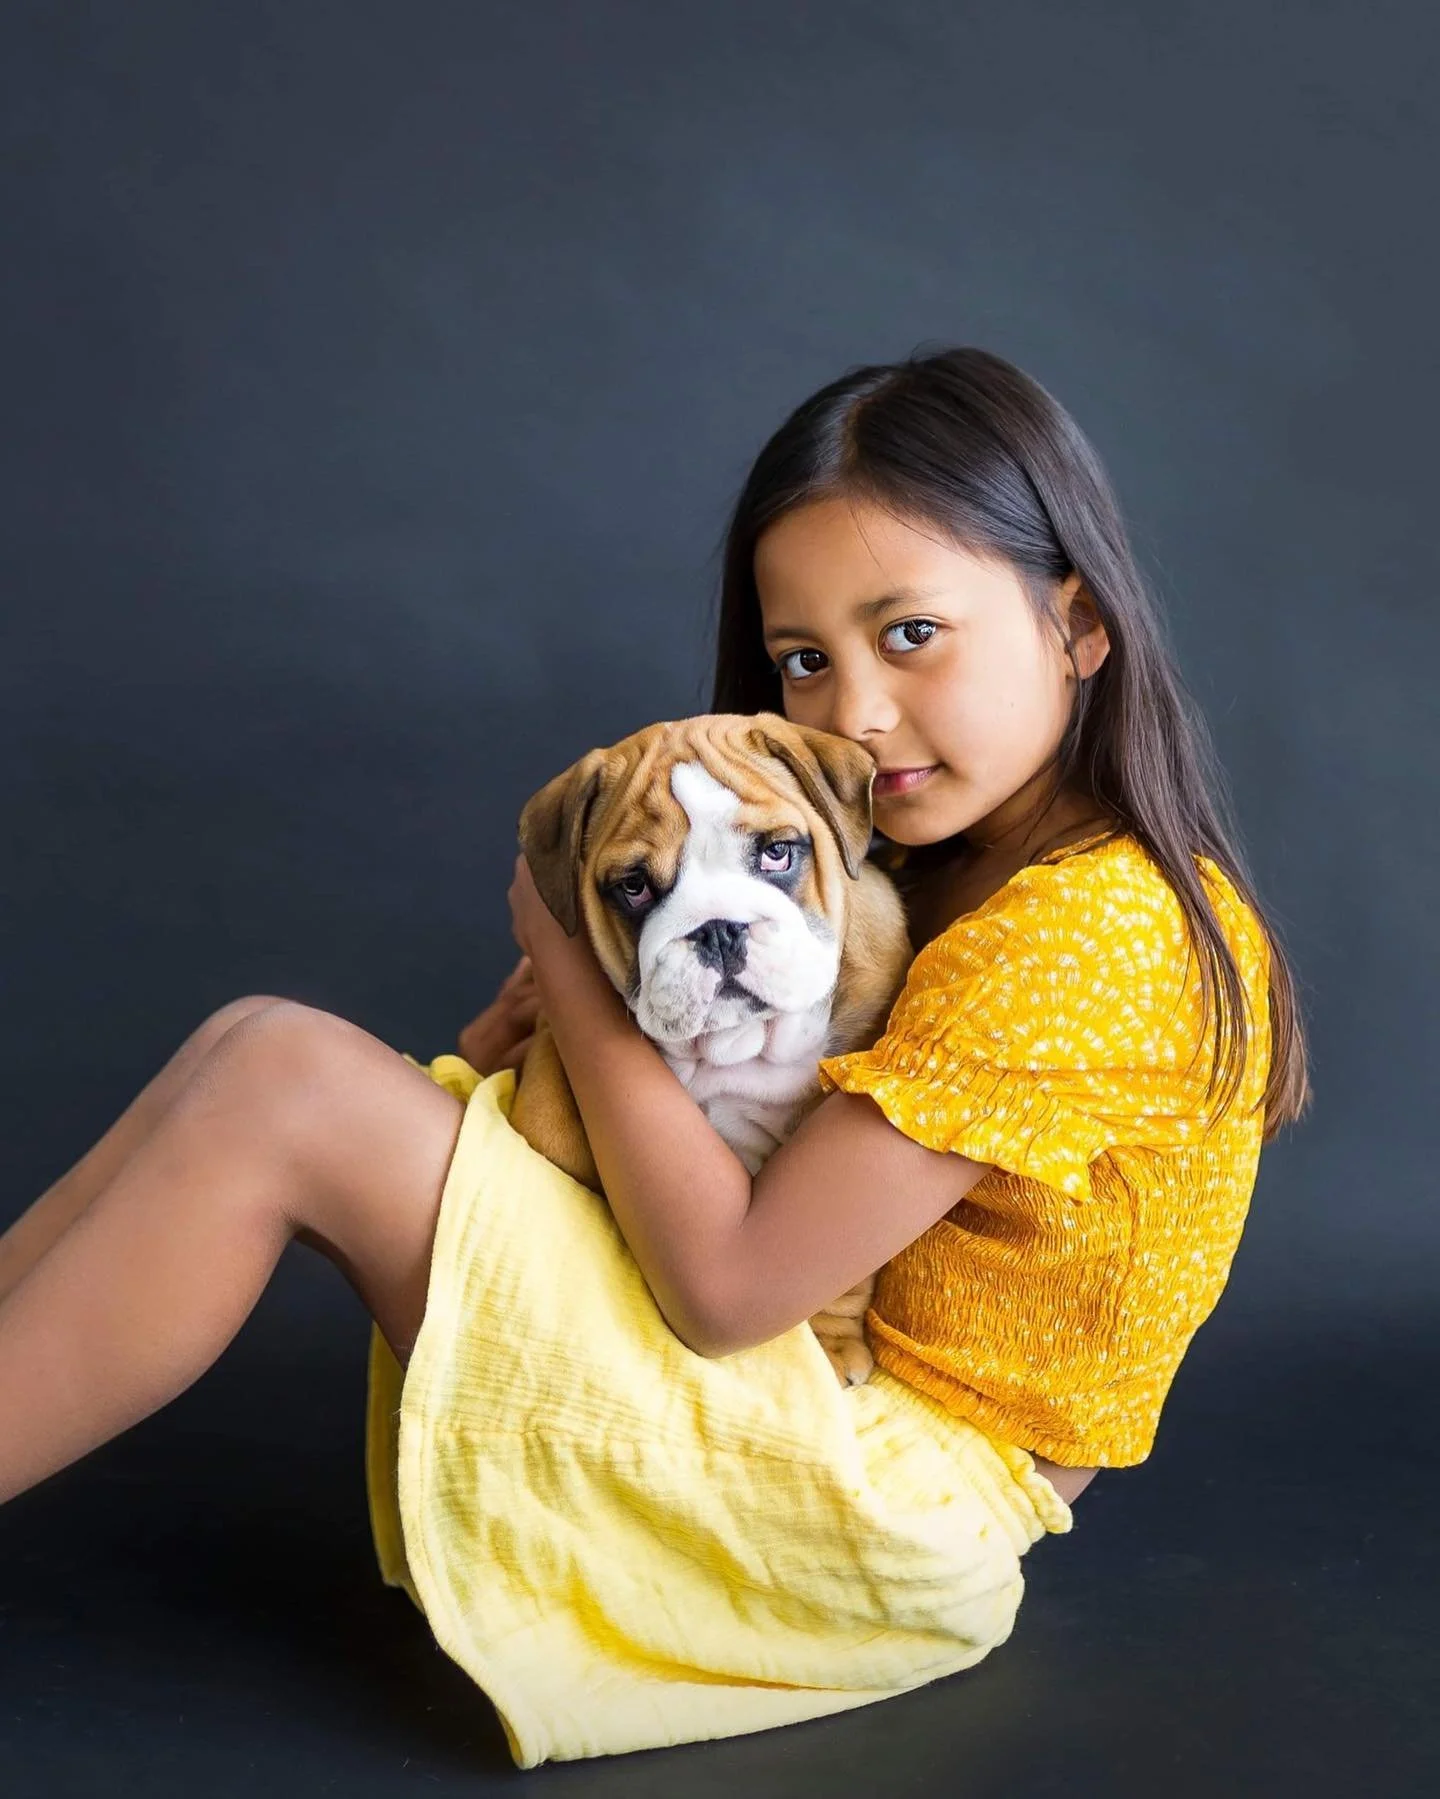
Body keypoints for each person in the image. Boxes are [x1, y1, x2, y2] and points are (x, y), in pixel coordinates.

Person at [0, 345, 1311, 1769]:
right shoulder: (936, 865)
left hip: (874, 1506)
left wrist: (570, 947)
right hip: (807, 1421)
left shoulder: (1090, 927)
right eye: (806, 659)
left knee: (286, 1083)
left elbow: (731, 1290)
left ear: (1079, 624)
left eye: (911, 633)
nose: (856, 713)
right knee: (255, 1051)